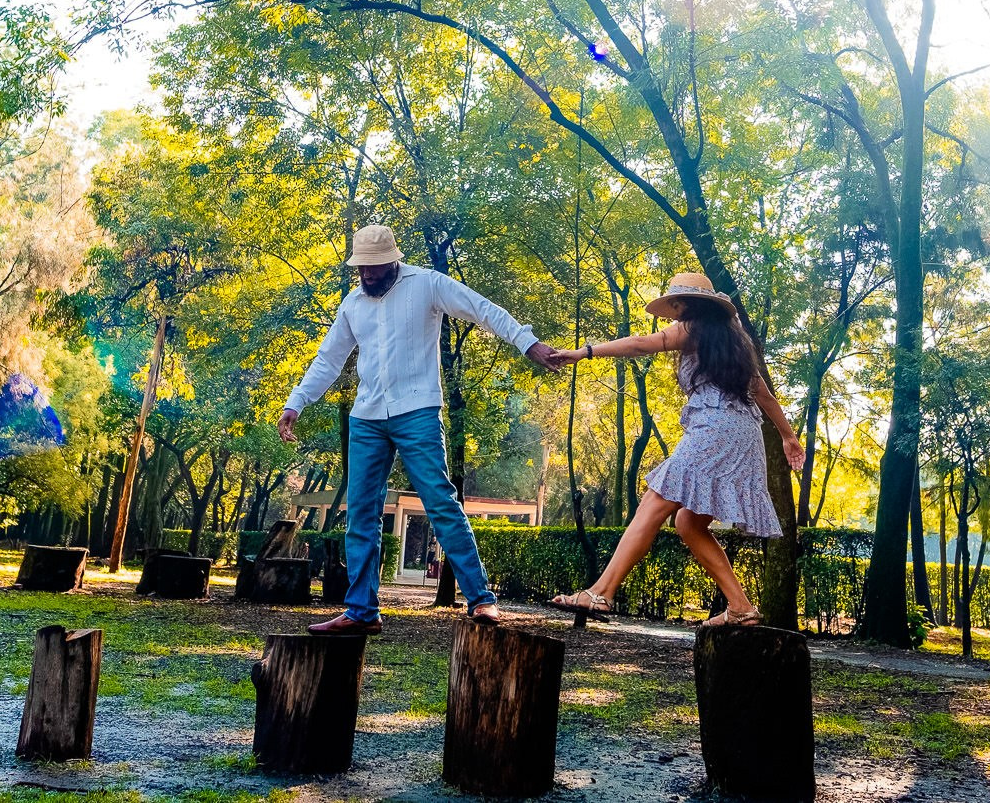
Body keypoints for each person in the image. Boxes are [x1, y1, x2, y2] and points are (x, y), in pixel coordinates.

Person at [278, 223, 562, 634]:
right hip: (367, 417)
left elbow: (481, 308)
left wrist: (527, 342)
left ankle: (481, 600)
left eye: (374, 267)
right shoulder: (353, 303)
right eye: (361, 268)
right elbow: (328, 359)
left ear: (394, 260)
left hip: (418, 411)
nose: (367, 275)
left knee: (441, 503)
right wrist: (295, 402)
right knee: (360, 513)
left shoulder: (427, 284)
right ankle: (361, 611)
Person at [544, 271, 803, 626]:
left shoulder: (691, 329)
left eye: (677, 303)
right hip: (744, 436)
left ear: (691, 305)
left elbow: (638, 344)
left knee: (653, 502)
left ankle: (600, 592)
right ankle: (741, 608)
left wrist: (585, 352)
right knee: (688, 522)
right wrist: (788, 437)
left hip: (714, 431)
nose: (674, 310)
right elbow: (763, 394)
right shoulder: (733, 342)